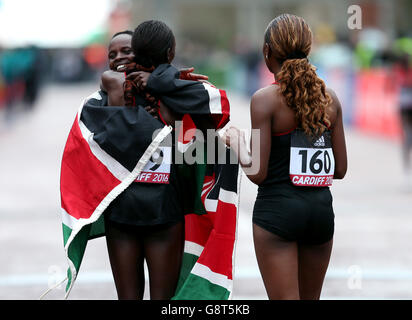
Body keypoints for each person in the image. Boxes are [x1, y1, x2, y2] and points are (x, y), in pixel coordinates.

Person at [223, 14, 347, 300]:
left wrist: (238, 143)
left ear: (267, 52)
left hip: (277, 214)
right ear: (308, 49)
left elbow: (258, 172)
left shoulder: (264, 100)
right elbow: (340, 169)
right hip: (320, 213)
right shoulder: (331, 100)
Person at [101, 23, 217, 300]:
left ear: (141, 53)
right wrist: (170, 77)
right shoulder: (108, 91)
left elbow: (212, 121)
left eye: (126, 51)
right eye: (112, 53)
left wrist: (170, 79)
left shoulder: (171, 93)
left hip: (161, 213)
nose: (118, 58)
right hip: (126, 214)